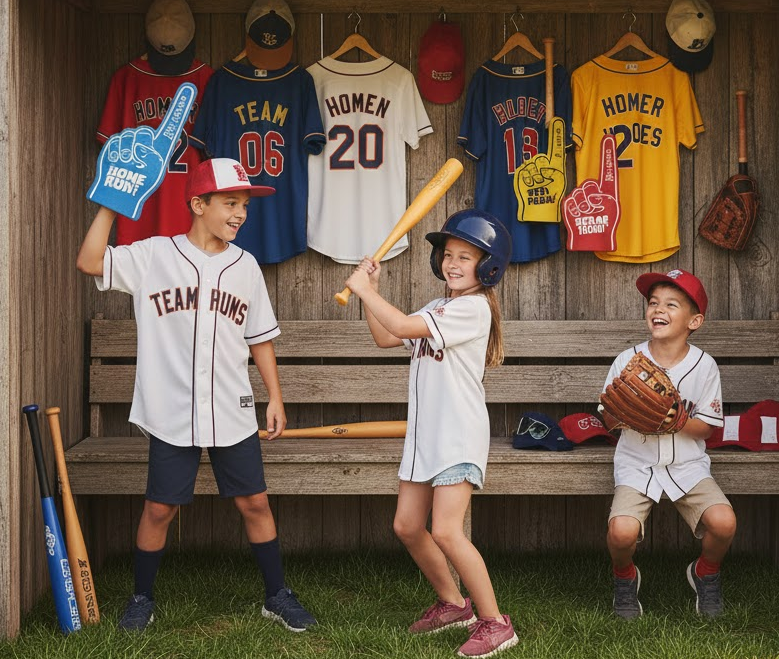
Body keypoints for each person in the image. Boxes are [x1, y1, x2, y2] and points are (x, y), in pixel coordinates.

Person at [76, 158, 316, 633]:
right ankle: (141, 597)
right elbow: (89, 261)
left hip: (231, 403)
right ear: (197, 203)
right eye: (230, 203)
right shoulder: (154, 255)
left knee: (255, 503)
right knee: (160, 508)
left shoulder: (245, 265)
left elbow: (260, 337)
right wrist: (110, 205)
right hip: (171, 408)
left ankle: (277, 595)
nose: (240, 214)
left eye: (244, 205)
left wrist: (276, 396)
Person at [345, 209, 518, 659]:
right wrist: (372, 294)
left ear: (489, 266)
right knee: (406, 525)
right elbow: (388, 337)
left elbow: (401, 326)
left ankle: (496, 622)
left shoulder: (473, 309)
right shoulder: (438, 307)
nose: (453, 263)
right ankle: (453, 603)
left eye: (466, 256)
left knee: (446, 530)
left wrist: (363, 289)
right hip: (426, 437)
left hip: (457, 435)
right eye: (448, 255)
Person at [604, 270, 737, 620]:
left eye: (671, 304)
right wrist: (623, 413)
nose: (658, 309)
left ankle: (706, 572)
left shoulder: (704, 366)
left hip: (687, 464)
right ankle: (624, 577)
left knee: (724, 523)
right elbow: (607, 417)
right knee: (621, 532)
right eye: (653, 302)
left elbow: (707, 428)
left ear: (694, 320)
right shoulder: (627, 361)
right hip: (637, 462)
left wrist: (676, 419)